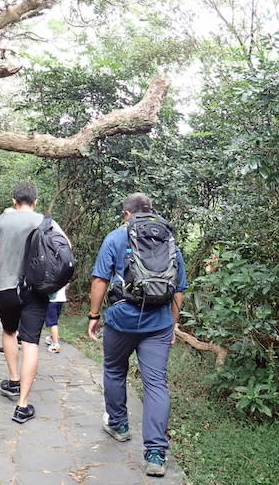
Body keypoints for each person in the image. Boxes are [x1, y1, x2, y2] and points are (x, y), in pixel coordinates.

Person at [87, 193, 188, 477]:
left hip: (121, 321)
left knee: (115, 370)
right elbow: (179, 289)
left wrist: (94, 316)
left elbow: (99, 280)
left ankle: (119, 425)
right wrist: (173, 323)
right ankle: (156, 453)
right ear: (149, 211)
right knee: (156, 383)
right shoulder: (167, 238)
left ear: (126, 214)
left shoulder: (116, 237)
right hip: (158, 325)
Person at [0, 183, 68, 424]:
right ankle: (22, 405)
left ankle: (14, 380)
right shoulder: (46, 222)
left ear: (14, 199)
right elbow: (66, 248)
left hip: (6, 288)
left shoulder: (0, 221)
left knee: (8, 331)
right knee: (30, 344)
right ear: (35, 201)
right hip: (36, 290)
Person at [44, 285, 67, 353]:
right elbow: (67, 284)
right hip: (61, 299)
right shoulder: (63, 274)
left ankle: (55, 345)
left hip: (52, 299)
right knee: (55, 319)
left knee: (52, 322)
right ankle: (53, 337)